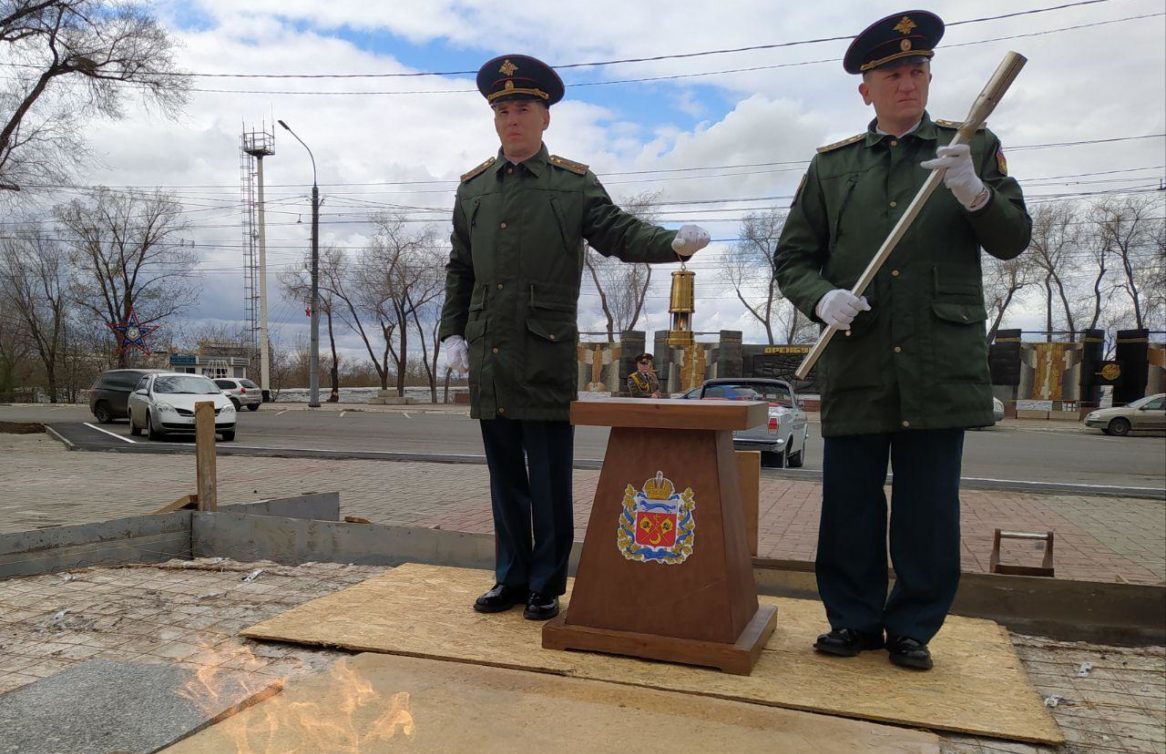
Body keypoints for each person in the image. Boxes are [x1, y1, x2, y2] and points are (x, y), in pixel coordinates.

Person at [775, 11, 1031, 670]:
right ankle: (853, 620)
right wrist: (820, 296)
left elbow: (1013, 240)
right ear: (866, 88)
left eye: (917, 70)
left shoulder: (968, 144)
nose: (907, 82)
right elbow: (794, 259)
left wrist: (974, 193)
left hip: (937, 361)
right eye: (892, 73)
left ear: (929, 77)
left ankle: (913, 625)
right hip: (859, 357)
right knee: (851, 504)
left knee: (927, 508)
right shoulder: (833, 169)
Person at [439, 54, 710, 621]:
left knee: (548, 476)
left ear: (545, 118)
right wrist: (452, 332)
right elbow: (459, 267)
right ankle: (510, 578)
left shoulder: (572, 184)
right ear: (495, 120)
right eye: (504, 110)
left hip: (543, 347)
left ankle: (545, 583)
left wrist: (671, 245)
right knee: (505, 476)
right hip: (489, 350)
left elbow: (617, 231)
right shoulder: (473, 190)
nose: (513, 118)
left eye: (524, 109)